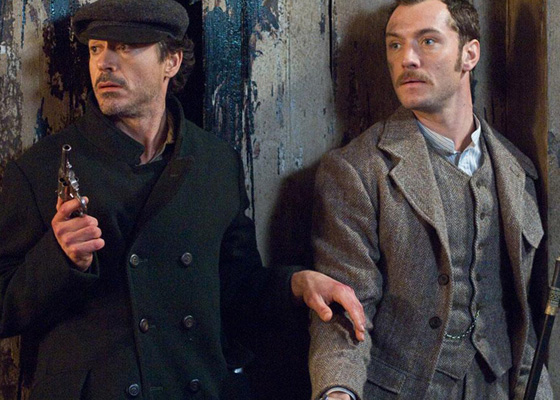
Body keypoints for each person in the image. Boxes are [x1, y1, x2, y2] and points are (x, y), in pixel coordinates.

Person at [0, 0, 366, 398]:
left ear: (171, 61)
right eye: (96, 48)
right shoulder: (40, 169)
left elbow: (237, 287)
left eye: (126, 47)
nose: (104, 63)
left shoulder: (215, 162)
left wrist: (298, 282)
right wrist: (59, 259)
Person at [308, 0, 553, 399]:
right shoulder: (357, 170)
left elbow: (524, 323)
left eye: (427, 41)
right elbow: (343, 306)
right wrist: (338, 390)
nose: (407, 58)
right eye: (395, 45)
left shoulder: (517, 171)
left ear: (469, 54)